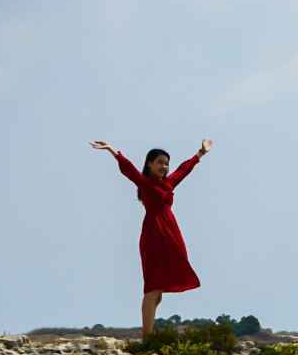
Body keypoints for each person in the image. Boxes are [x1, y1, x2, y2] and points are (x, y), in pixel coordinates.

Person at [89, 138, 213, 338]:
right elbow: (129, 169)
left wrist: (200, 154)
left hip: (171, 235)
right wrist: (113, 151)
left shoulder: (169, 183)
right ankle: (147, 338)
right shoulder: (145, 183)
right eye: (159, 162)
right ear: (149, 163)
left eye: (166, 163)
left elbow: (183, 170)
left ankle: (150, 335)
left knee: (158, 293)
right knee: (152, 288)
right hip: (154, 235)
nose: (164, 166)